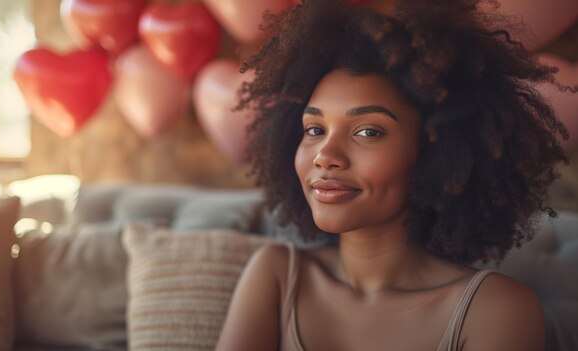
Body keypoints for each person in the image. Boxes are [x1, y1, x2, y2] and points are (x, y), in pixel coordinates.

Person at [216, 0, 569, 350]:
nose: (325, 156)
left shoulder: (496, 310)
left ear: (439, 154)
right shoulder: (275, 275)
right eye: (314, 129)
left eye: (368, 131)